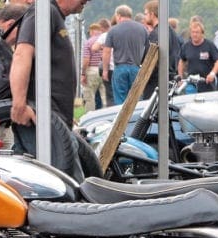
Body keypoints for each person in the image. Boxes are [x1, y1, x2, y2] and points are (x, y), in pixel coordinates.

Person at [10, 0, 90, 177]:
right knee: (67, 186)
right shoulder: (44, 11)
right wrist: (19, 104)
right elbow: (22, 54)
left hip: (53, 121)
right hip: (40, 121)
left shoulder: (53, 15)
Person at [102, 5, 148, 105]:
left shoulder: (113, 30)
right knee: (137, 100)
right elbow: (148, 49)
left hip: (120, 68)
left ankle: (121, 115)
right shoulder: (142, 29)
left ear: (118, 16)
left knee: (120, 100)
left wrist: (105, 70)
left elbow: (106, 51)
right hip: (136, 68)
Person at [141, 0, 181, 99]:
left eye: (146, 14)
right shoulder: (172, 32)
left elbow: (149, 61)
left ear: (152, 14)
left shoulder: (156, 34)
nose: (144, 17)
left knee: (152, 108)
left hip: (156, 82)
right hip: (170, 79)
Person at [178, 20, 218, 93]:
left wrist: (212, 74)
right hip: (191, 83)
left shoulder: (209, 45)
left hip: (207, 83)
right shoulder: (186, 46)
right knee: (190, 98)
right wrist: (180, 77)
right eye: (193, 32)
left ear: (202, 33)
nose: (195, 34)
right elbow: (181, 61)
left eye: (197, 32)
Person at [80, 23, 104, 112]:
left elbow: (86, 60)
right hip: (104, 69)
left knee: (89, 97)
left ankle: (90, 115)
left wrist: (83, 73)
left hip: (92, 70)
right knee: (104, 96)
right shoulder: (105, 40)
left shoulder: (89, 42)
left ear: (92, 31)